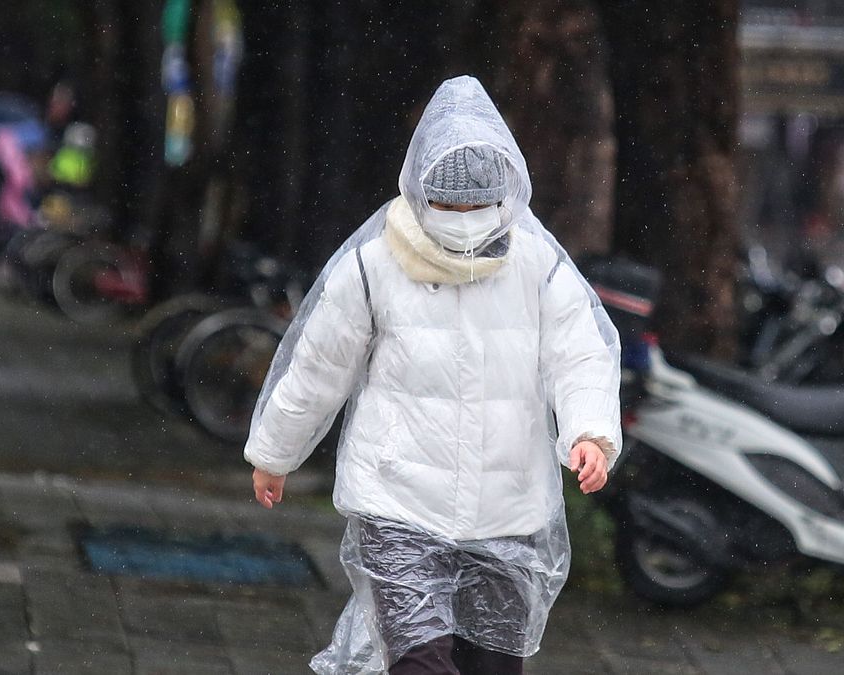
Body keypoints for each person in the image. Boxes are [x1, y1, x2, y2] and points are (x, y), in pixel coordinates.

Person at [244, 76, 621, 675]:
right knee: (420, 664)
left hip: (508, 509)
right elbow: (318, 365)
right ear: (422, 192)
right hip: (397, 503)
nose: (464, 222)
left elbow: (580, 353)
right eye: (450, 206)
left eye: (477, 206)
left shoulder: (537, 264)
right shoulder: (374, 265)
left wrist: (589, 433)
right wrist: (275, 451)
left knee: (492, 666)